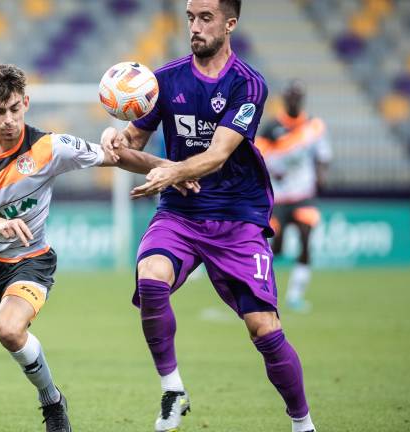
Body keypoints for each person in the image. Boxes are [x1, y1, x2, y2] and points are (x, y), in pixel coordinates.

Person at [0, 64, 191, 432]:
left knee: (8, 328)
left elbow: (114, 156)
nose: (9, 120)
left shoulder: (50, 147)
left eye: (15, 109)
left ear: (26, 103)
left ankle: (52, 402)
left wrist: (172, 169)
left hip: (29, 261)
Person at [101, 1, 316, 431]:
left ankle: (303, 423)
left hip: (237, 217)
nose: (195, 27)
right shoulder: (164, 80)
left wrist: (174, 171)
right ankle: (172, 390)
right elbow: (128, 147)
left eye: (205, 18)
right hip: (181, 213)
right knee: (151, 277)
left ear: (230, 23)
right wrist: (113, 139)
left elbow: (217, 154)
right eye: (190, 18)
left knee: (264, 328)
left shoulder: (248, 84)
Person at [256, 80, 331, 312]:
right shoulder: (272, 127)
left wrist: (321, 175)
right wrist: (271, 171)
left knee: (306, 240)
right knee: (275, 246)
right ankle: (259, 288)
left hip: (303, 194)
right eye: (291, 96)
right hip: (278, 197)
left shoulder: (313, 126)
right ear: (285, 99)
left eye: (297, 97)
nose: (294, 100)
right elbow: (258, 157)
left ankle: (295, 296)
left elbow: (323, 155)